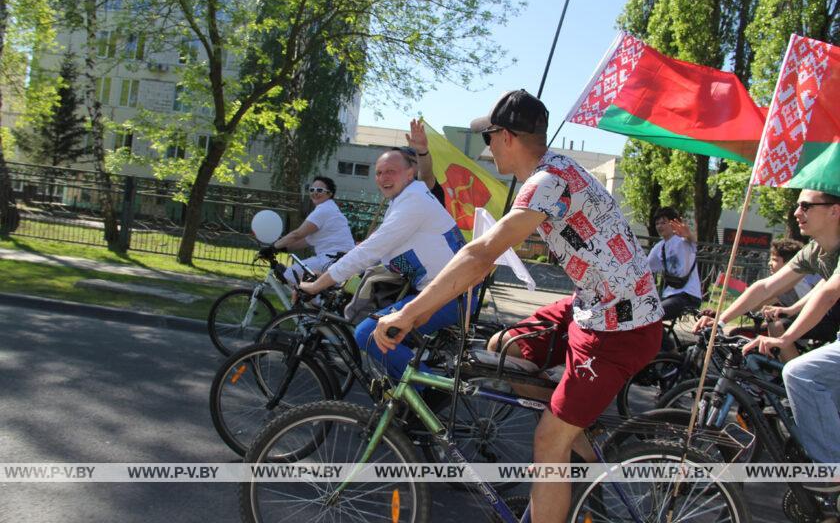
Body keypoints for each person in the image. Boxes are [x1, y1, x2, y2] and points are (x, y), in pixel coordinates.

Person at [373, 89, 664, 522]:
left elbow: (480, 254)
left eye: (488, 137)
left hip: (621, 328)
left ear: (507, 136)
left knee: (547, 441)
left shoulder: (548, 182)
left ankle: (563, 437)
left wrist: (409, 312)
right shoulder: (553, 172)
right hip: (593, 305)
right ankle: (577, 433)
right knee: (506, 345)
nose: (486, 147)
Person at [298, 133, 475, 381]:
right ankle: (404, 396)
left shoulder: (413, 201)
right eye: (379, 173)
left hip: (451, 295)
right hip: (440, 290)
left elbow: (371, 249)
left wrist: (319, 284)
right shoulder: (403, 200)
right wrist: (335, 274)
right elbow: (378, 250)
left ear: (410, 173)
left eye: (391, 171)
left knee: (369, 334)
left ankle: (424, 398)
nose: (383, 178)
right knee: (382, 329)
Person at [695, 189, 840, 463]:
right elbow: (765, 287)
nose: (797, 212)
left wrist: (785, 339)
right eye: (797, 206)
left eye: (806, 206)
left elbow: (829, 293)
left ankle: (832, 471)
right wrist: (721, 320)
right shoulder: (816, 250)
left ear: (835, 210)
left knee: (799, 373)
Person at [269, 176, 355, 286]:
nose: (315, 193)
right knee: (308, 286)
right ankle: (317, 301)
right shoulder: (330, 208)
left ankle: (317, 302)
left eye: (319, 190)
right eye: (312, 190)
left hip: (331, 259)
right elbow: (307, 241)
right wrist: (284, 248)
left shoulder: (324, 210)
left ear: (330, 193)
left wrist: (273, 247)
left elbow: (297, 234)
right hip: (338, 259)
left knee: (290, 274)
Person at [646, 207, 702, 326]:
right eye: (657, 223)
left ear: (673, 224)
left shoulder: (683, 241)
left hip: (688, 296)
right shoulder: (659, 247)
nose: (660, 226)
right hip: (669, 295)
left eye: (664, 222)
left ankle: (667, 345)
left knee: (653, 315)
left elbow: (692, 240)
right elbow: (645, 268)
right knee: (644, 314)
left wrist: (688, 234)